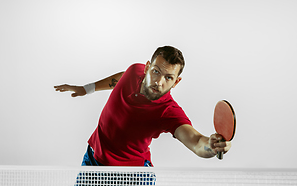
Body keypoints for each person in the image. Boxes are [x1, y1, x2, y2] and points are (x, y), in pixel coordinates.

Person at [54, 46, 231, 167]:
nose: (159, 82)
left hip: (131, 178)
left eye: (168, 77)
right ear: (146, 68)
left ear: (176, 82)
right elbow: (121, 78)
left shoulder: (168, 111)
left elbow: (196, 141)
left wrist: (211, 146)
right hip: (93, 160)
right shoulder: (134, 71)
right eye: (156, 72)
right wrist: (87, 89)